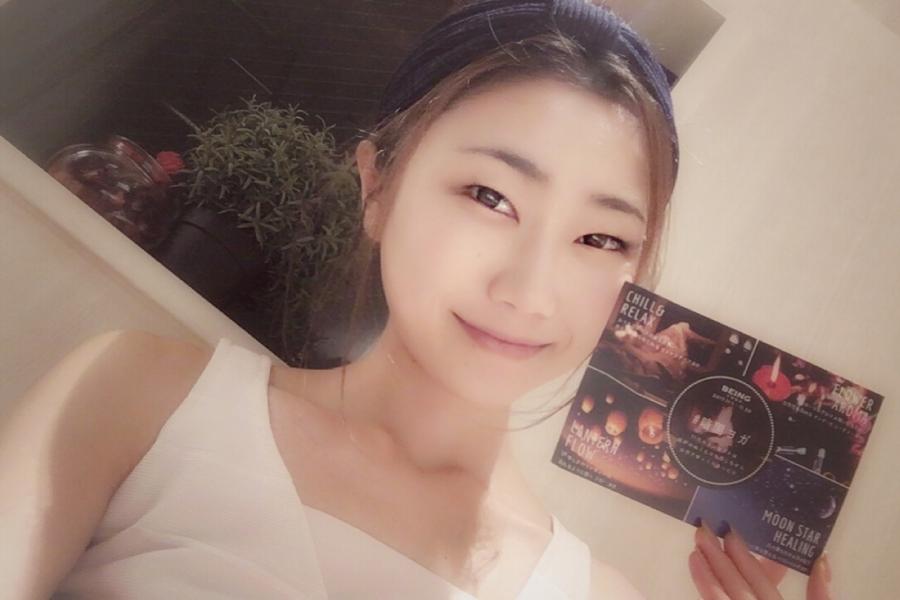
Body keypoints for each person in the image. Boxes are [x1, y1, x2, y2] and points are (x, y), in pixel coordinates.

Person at [1, 1, 833, 598]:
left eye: (600, 238)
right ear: (377, 185)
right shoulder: (140, 397)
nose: (528, 290)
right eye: (490, 196)